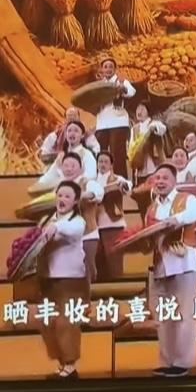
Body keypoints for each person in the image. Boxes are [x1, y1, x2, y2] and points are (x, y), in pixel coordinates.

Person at [145, 163, 196, 378]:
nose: (160, 181)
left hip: (183, 265)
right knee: (163, 316)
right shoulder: (152, 207)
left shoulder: (185, 199)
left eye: (165, 178)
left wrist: (177, 219)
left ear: (174, 181)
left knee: (185, 314)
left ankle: (182, 362)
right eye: (157, 178)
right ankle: (167, 361)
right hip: (160, 266)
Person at [37, 180, 87, 379]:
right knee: (48, 321)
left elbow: (72, 231)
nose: (62, 199)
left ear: (75, 201)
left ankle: (70, 365)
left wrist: (55, 227)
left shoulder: (78, 221)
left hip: (71, 279)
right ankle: (62, 362)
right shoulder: (47, 219)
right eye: (59, 195)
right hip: (48, 278)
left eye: (67, 196)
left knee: (67, 322)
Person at [55, 152, 104, 284]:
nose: (69, 169)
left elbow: (98, 194)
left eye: (73, 166)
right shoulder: (58, 186)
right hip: (66, 236)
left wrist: (83, 195)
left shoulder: (88, 183)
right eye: (66, 165)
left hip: (87, 235)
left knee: (88, 268)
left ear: (81, 168)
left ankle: (87, 293)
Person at [94, 151, 131, 280]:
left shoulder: (117, 179)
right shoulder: (92, 180)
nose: (103, 164)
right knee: (99, 262)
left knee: (114, 261)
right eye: (100, 161)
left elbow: (128, 187)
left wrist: (123, 186)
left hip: (114, 224)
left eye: (106, 162)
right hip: (95, 226)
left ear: (111, 165)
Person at [95, 57, 136, 176]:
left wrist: (123, 88)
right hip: (102, 123)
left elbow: (132, 92)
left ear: (115, 69)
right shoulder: (99, 85)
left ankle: (120, 181)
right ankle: (102, 179)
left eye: (111, 67)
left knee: (118, 155)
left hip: (118, 122)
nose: (108, 69)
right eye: (105, 67)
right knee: (101, 154)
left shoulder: (121, 81)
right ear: (102, 69)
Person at [129, 102, 167, 219]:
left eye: (142, 109)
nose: (139, 111)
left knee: (153, 200)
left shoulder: (154, 123)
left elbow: (162, 129)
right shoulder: (134, 129)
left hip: (154, 168)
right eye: (137, 109)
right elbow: (131, 148)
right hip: (140, 170)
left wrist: (152, 129)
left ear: (148, 112)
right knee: (142, 201)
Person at [37, 120, 97, 190]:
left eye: (76, 131)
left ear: (82, 135)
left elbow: (91, 175)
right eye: (69, 131)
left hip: (77, 190)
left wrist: (74, 182)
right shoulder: (61, 156)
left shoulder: (86, 154)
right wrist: (40, 184)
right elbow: (51, 174)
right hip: (60, 190)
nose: (72, 133)